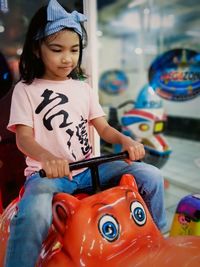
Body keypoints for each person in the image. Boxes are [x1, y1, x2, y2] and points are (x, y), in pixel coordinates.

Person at [5, 0, 167, 266]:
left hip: (90, 167)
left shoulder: (83, 87)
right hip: (49, 174)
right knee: (33, 212)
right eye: (57, 50)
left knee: (151, 175)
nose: (67, 58)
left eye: (74, 50)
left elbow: (103, 127)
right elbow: (24, 138)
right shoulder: (26, 89)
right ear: (37, 50)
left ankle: (156, 241)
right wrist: (47, 158)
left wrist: (125, 140)